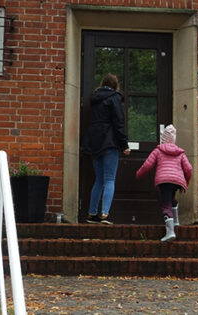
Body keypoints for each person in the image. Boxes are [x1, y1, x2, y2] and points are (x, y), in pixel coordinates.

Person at [82, 73, 130, 224]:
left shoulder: (95, 98)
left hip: (94, 141)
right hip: (109, 141)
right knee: (109, 179)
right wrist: (124, 144)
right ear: (116, 85)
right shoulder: (115, 97)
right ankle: (104, 214)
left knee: (99, 180)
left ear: (103, 83)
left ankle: (92, 213)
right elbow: (118, 122)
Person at [135, 124, 192, 242]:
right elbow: (189, 169)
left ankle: (170, 232)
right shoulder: (180, 153)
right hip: (177, 181)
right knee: (171, 199)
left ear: (163, 138)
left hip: (164, 180)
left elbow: (147, 165)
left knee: (166, 205)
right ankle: (175, 222)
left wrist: (138, 174)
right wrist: (187, 180)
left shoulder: (158, 150)